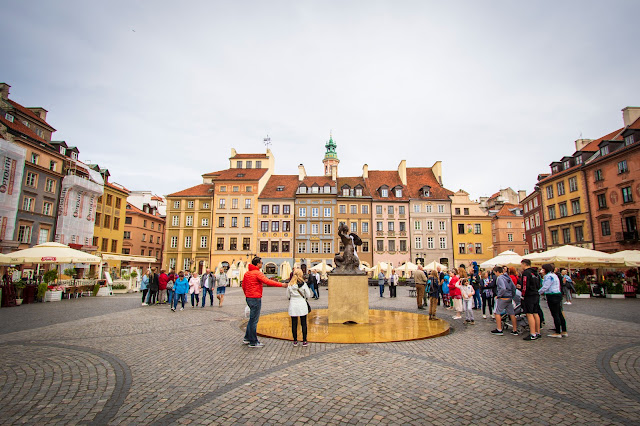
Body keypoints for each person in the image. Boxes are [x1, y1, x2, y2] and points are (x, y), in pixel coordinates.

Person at [242, 256, 288, 348]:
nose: (262, 264)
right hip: (255, 298)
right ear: (258, 264)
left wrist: (247, 294)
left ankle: (247, 338)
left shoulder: (247, 273)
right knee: (254, 320)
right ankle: (253, 342)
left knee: (251, 319)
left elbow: (243, 285)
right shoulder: (257, 273)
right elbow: (268, 281)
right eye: (261, 263)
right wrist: (282, 284)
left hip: (249, 297)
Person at [540, 263, 567, 338]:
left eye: (542, 269)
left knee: (555, 314)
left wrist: (538, 293)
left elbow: (545, 287)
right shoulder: (554, 275)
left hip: (552, 295)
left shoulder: (548, 276)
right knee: (559, 313)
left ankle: (558, 332)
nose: (541, 270)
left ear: (545, 269)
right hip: (557, 294)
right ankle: (564, 330)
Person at [491, 266, 519, 336]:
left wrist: (499, 295)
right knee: (512, 313)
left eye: (495, 273)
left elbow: (503, 288)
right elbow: (513, 287)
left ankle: (499, 329)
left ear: (497, 272)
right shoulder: (507, 277)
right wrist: (512, 295)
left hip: (503, 298)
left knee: (497, 313)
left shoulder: (499, 278)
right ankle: (515, 330)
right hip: (509, 297)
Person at [287, 268, 312, 347]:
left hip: (293, 304)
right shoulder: (303, 284)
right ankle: (304, 340)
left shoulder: (290, 285)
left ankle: (295, 340)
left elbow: (287, 295)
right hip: (302, 304)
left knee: (294, 323)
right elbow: (308, 295)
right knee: (303, 323)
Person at [521, 259, 541, 341]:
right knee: (536, 313)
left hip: (529, 295)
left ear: (524, 264)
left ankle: (532, 333)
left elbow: (525, 285)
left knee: (529, 314)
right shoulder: (535, 273)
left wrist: (523, 294)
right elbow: (539, 283)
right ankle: (538, 331)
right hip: (536, 293)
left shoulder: (526, 273)